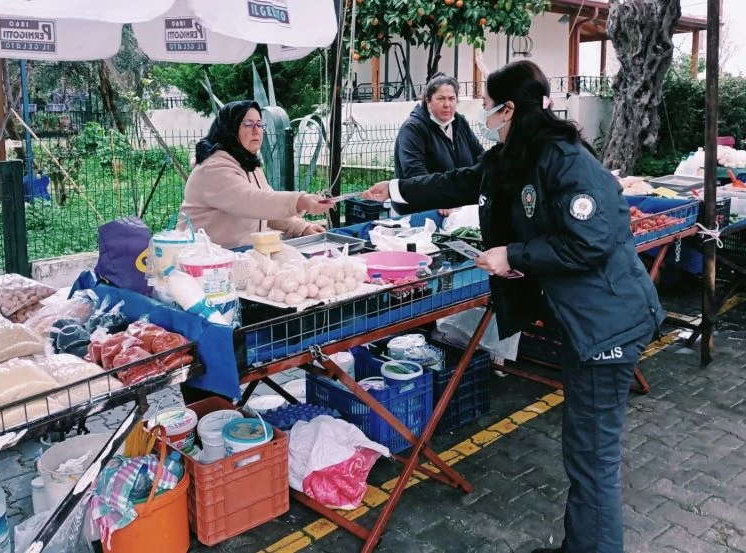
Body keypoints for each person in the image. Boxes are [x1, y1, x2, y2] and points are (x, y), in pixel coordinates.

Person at [363, 60, 664, 553]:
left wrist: (515, 255)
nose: (481, 114)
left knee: (592, 456)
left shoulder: (563, 158)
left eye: (485, 105)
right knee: (585, 452)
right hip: (587, 320)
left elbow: (591, 240)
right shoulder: (518, 153)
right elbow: (463, 180)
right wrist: (396, 190)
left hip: (605, 324)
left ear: (508, 109)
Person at [179, 100, 333, 249]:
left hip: (240, 253)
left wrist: (302, 227)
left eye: (260, 124)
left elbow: (266, 209)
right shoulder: (213, 169)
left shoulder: (247, 164)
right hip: (204, 258)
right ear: (230, 129)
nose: (256, 130)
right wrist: (300, 201)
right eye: (248, 124)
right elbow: (253, 201)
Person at [394, 72, 485, 179]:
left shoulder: (460, 123)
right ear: (428, 101)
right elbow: (417, 177)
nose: (447, 105)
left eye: (451, 98)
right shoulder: (412, 129)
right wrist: (458, 184)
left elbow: (482, 159)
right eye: (440, 98)